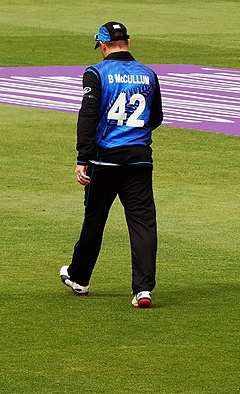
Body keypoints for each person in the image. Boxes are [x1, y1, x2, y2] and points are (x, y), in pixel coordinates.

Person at [60, 21, 163, 308]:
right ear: (127, 43)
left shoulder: (96, 72)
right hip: (140, 158)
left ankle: (79, 278)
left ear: (103, 46)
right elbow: (156, 117)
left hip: (104, 159)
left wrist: (82, 158)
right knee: (143, 223)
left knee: (95, 218)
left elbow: (88, 116)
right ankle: (143, 290)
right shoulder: (148, 74)